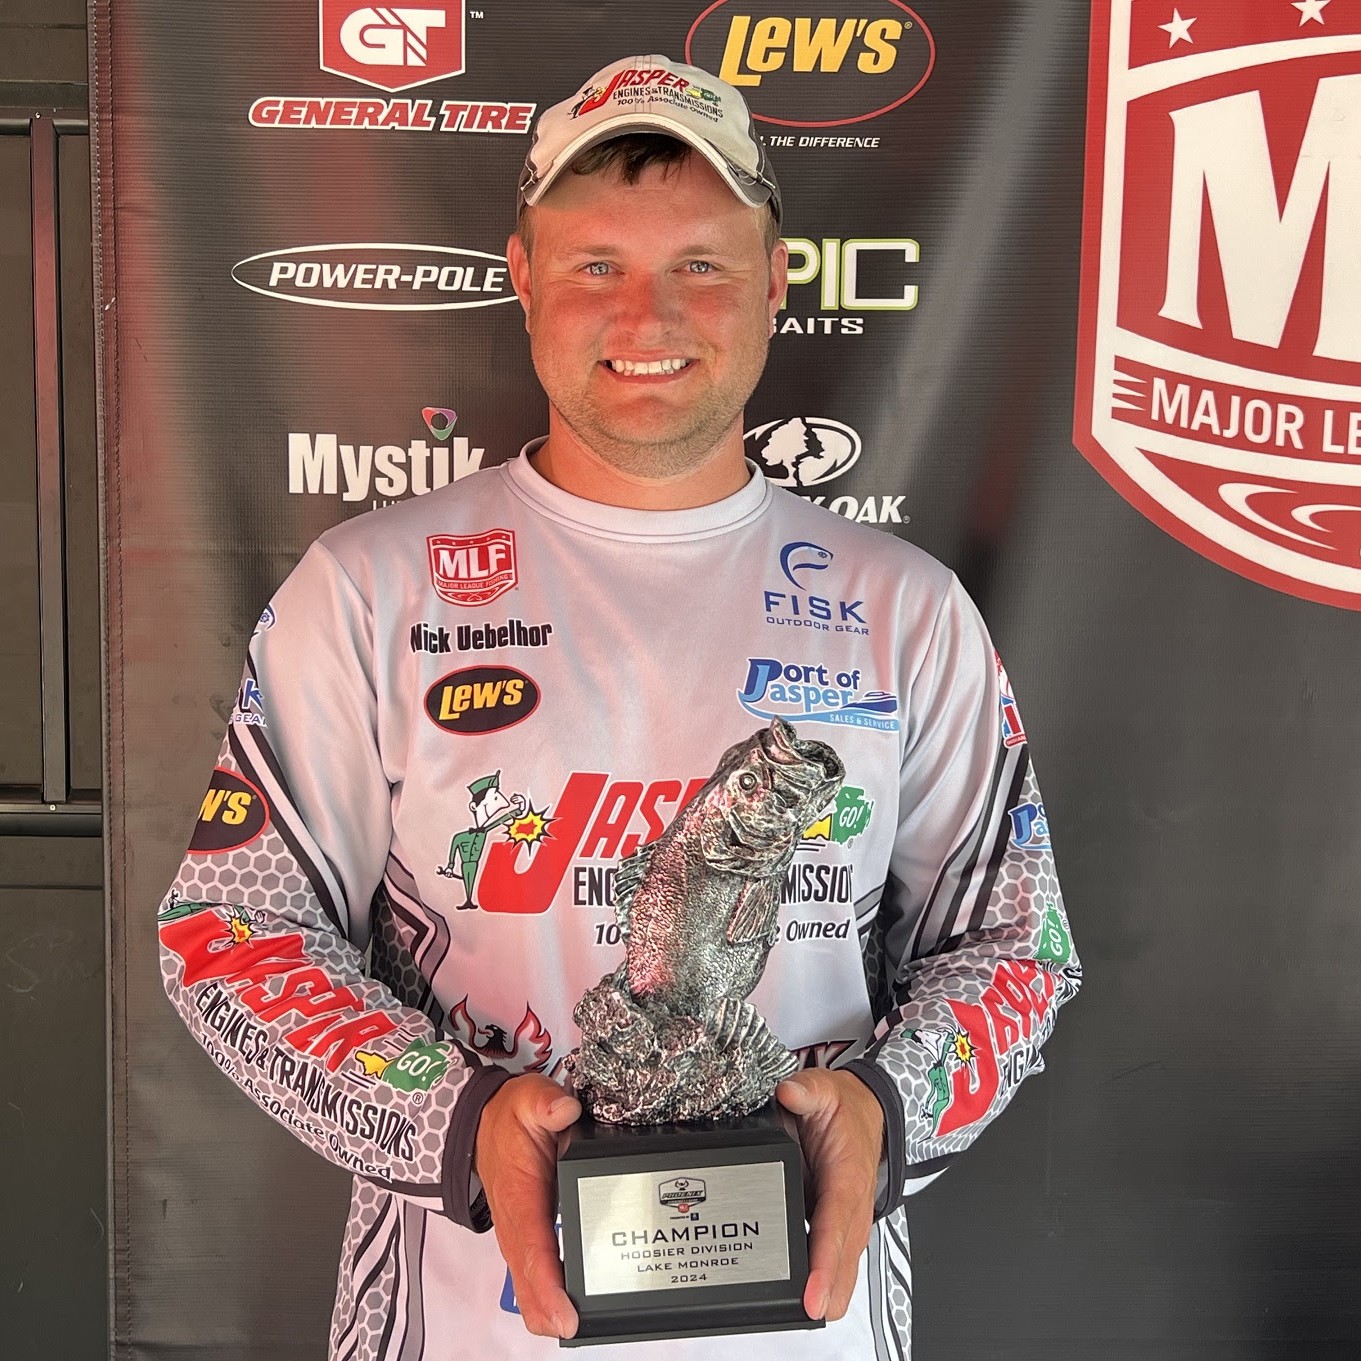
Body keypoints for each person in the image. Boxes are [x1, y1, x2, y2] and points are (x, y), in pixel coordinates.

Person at [158, 53, 1080, 1361]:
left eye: (701, 263)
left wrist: (888, 1108)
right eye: (597, 263)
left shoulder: (905, 608)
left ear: (776, 280)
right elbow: (231, 933)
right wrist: (454, 1121)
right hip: (458, 1328)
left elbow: (1016, 948)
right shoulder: (368, 588)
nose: (650, 314)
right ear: (524, 275)